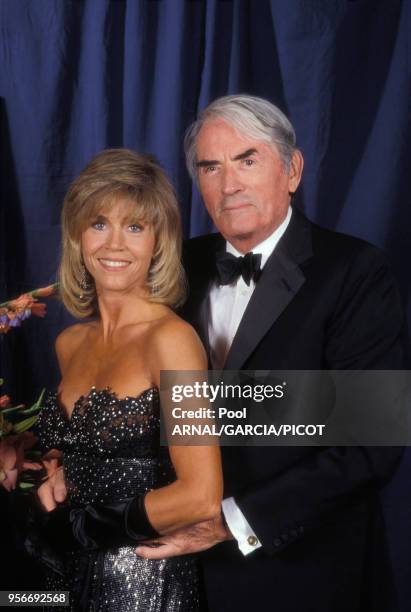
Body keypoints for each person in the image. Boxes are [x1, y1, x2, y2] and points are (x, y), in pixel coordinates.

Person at [134, 95, 406, 612]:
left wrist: (230, 522)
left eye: (247, 160)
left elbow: (371, 444)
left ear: (293, 170)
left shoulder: (355, 271)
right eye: (210, 167)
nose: (228, 184)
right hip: (175, 574)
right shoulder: (172, 268)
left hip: (304, 572)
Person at [31, 148, 222, 611]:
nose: (114, 244)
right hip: (59, 575)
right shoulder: (69, 343)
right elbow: (82, 451)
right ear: (78, 235)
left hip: (140, 580)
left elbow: (202, 497)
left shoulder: (172, 340)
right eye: (99, 223)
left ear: (158, 241)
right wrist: (53, 476)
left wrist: (84, 526)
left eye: (134, 227)